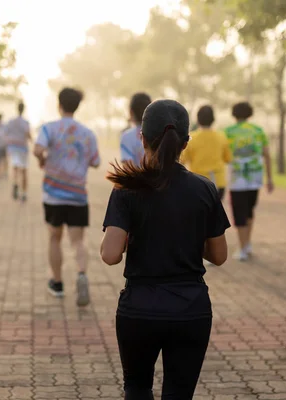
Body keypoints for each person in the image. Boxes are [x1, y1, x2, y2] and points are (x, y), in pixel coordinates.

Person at [101, 99, 230, 399]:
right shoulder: (204, 188)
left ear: (142, 137)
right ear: (186, 142)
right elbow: (219, 255)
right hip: (191, 309)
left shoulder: (126, 188)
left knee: (137, 388)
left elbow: (110, 255)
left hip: (140, 309)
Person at [33, 87, 100, 306]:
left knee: (54, 237)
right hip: (78, 195)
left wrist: (43, 159)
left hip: (53, 194)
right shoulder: (87, 133)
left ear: (59, 105)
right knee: (78, 240)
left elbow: (37, 149)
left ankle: (58, 282)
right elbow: (96, 162)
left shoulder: (49, 128)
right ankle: (81, 273)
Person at [224, 102, 274, 261]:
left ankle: (243, 247)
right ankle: (247, 244)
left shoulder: (227, 132)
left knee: (239, 214)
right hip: (255, 177)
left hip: (237, 179)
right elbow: (267, 155)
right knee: (249, 212)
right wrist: (270, 178)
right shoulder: (258, 131)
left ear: (234, 114)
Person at [181, 104, 232, 201]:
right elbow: (228, 159)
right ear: (213, 119)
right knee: (214, 214)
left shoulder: (191, 138)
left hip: (197, 183)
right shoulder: (221, 136)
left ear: (198, 119)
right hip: (218, 183)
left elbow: (182, 160)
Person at [5, 101, 31, 201]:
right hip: (22, 148)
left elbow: (6, 133)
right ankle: (24, 193)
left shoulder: (11, 121)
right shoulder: (25, 122)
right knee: (24, 170)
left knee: (15, 168)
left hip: (13, 148)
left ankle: (15, 183)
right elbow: (28, 134)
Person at [120, 92, 151, 166]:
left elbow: (128, 167)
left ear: (131, 112)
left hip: (137, 177)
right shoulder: (160, 132)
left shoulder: (127, 136)